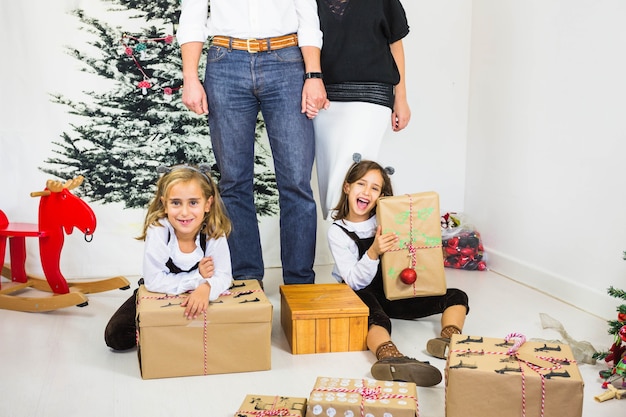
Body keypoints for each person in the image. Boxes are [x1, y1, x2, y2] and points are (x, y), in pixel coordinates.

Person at [176, 0, 328, 286]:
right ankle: (248, 282)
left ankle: (300, 285)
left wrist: (314, 75)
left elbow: (308, 18)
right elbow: (192, 17)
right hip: (226, 62)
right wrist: (190, 77)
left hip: (287, 62)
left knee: (296, 181)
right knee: (233, 182)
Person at [327, 157, 469, 386]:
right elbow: (354, 281)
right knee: (377, 317)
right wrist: (373, 251)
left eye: (375, 188)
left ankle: (450, 339)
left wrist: (428, 249)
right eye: (361, 184)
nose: (367, 192)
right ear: (348, 187)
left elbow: (410, 252)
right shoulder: (338, 231)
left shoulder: (389, 222)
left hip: (394, 291)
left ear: (381, 197)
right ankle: (390, 357)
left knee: (456, 296)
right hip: (360, 294)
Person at [104, 164, 233, 351]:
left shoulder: (213, 233)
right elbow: (154, 281)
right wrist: (198, 279)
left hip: (200, 292)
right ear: (165, 204)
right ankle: (167, 333)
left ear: (208, 204)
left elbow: (224, 276)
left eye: (193, 202)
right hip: (161, 292)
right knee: (117, 335)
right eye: (176, 203)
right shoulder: (159, 231)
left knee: (227, 326)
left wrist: (207, 287)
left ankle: (181, 334)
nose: (184, 212)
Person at [312, 0, 411, 220]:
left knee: (355, 178)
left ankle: (358, 250)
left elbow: (396, 43)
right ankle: (341, 248)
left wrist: (401, 97)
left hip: (371, 97)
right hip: (324, 98)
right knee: (330, 184)